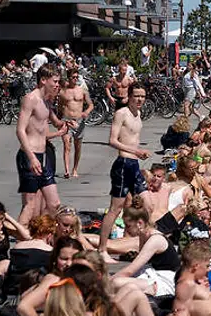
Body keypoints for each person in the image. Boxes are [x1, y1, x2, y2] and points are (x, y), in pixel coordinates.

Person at [100, 81, 150, 246]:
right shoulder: (122, 113)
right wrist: (135, 152)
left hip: (134, 164)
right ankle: (102, 247)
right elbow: (112, 141)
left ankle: (139, 243)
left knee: (147, 204)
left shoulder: (139, 113)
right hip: (123, 164)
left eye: (142, 96)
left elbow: (133, 139)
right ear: (129, 96)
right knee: (115, 209)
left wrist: (138, 151)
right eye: (136, 96)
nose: (139, 99)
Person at [16, 64, 64, 224]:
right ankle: (20, 241)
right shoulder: (31, 99)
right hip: (29, 156)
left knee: (54, 204)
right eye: (55, 81)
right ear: (43, 80)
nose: (57, 85)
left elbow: (49, 127)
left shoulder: (46, 101)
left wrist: (66, 125)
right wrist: (32, 157)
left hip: (43, 156)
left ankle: (39, 233)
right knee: (30, 206)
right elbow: (20, 130)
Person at [57, 69, 94, 180]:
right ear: (68, 78)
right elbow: (59, 106)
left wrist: (86, 112)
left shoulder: (82, 91)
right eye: (73, 77)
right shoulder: (63, 92)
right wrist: (60, 119)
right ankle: (67, 170)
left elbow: (91, 104)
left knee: (77, 147)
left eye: (76, 77)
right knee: (67, 145)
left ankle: (75, 169)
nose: (75, 79)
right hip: (67, 120)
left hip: (79, 121)